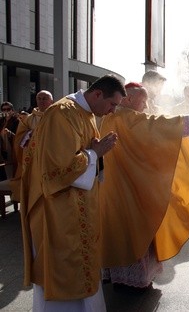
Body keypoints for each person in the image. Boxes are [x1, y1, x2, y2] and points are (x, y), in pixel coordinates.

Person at [19, 74, 126, 311]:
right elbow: (57, 169)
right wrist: (95, 153)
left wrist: (96, 153)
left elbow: (86, 154)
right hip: (57, 209)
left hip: (77, 206)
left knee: (82, 268)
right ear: (98, 94)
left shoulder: (86, 113)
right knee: (63, 269)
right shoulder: (61, 113)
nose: (111, 111)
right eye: (112, 104)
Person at [99, 82, 189, 293]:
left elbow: (148, 130)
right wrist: (187, 120)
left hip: (121, 182)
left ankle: (120, 276)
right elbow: (151, 127)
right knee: (134, 227)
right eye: (144, 100)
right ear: (128, 99)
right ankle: (131, 280)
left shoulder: (115, 116)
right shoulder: (124, 117)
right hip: (128, 185)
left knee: (121, 228)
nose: (147, 105)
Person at [10, 90, 54, 209]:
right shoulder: (29, 119)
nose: (41, 101)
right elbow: (20, 137)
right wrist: (33, 134)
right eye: (39, 98)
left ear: (51, 101)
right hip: (32, 158)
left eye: (45, 98)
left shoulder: (56, 117)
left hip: (50, 157)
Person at [0, 101, 20, 179]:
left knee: (10, 168)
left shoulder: (17, 121)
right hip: (2, 147)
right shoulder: (1, 121)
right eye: (4, 109)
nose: (6, 111)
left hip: (11, 147)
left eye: (8, 109)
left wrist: (10, 133)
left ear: (12, 110)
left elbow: (19, 136)